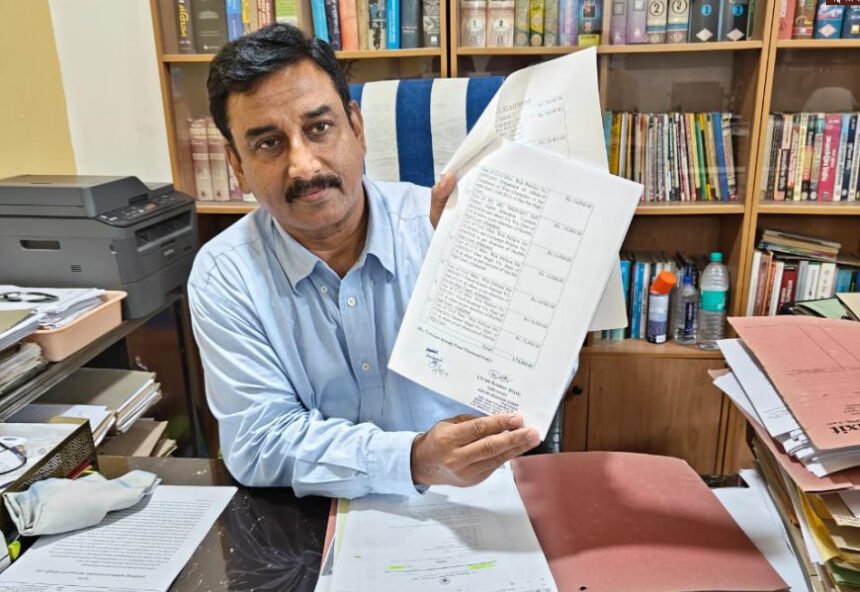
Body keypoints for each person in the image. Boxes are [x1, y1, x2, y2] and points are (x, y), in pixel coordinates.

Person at [187, 23, 541, 499]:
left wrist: (485, 275)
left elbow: (535, 383)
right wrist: (413, 460)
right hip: (317, 513)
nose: (304, 166)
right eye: (268, 143)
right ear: (236, 165)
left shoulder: (444, 227)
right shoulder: (225, 275)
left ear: (356, 127)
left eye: (319, 128)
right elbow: (258, 442)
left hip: (471, 499)